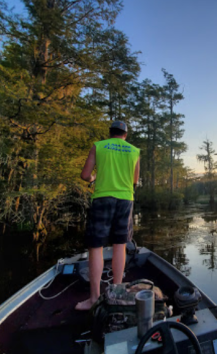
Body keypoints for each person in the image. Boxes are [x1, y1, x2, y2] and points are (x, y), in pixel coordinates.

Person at [76, 121, 140, 311]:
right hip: (125, 200)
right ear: (125, 135)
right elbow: (134, 180)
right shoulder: (134, 151)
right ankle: (117, 293)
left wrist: (93, 178)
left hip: (102, 198)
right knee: (119, 246)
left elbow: (85, 174)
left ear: (110, 133)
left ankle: (94, 298)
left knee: (96, 247)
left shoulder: (99, 146)